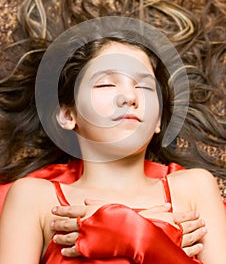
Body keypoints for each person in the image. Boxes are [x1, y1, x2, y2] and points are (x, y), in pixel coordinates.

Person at [0, 18, 226, 264]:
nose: (129, 97)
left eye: (146, 87)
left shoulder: (194, 188)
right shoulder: (34, 199)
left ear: (158, 120)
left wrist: (142, 239)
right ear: (68, 115)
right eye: (106, 83)